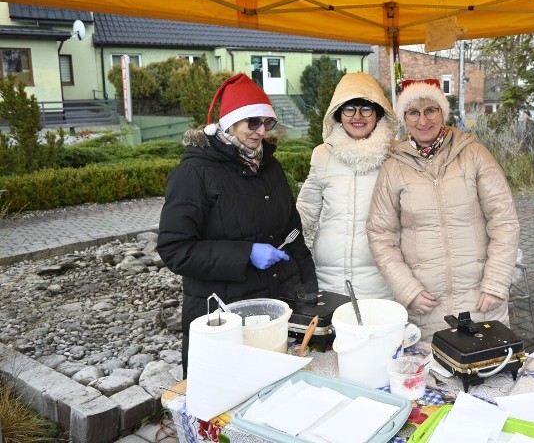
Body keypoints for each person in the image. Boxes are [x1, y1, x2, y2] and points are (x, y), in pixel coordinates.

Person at [157, 73, 318, 376]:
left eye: (266, 123)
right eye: (252, 123)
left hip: (272, 307)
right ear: (230, 123)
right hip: (221, 314)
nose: (260, 132)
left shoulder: (270, 167)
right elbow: (175, 249)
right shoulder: (194, 172)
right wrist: (246, 254)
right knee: (226, 401)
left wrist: (309, 290)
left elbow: (293, 234)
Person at [366, 78, 520, 343]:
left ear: (443, 113)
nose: (422, 120)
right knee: (433, 377)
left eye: (430, 110)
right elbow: (380, 235)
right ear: (404, 117)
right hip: (426, 304)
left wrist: (496, 283)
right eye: (413, 112)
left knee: (488, 371)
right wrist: (407, 290)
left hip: (481, 299)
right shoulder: (393, 168)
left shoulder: (474, 154)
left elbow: (504, 221)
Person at [296, 73, 400, 300]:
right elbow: (305, 211)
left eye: (366, 109)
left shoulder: (397, 155)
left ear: (379, 112)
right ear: (338, 113)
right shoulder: (322, 155)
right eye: (349, 109)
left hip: (380, 278)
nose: (357, 116)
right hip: (327, 277)